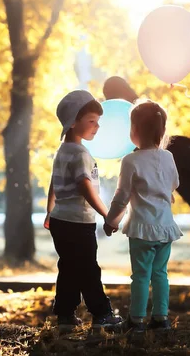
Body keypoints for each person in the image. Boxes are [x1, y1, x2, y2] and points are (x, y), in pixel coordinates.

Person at [44, 90, 123, 331]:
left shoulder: (62, 151)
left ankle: (65, 315)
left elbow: (53, 183)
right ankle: (102, 314)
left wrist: (49, 211)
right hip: (78, 222)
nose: (96, 127)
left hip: (60, 221)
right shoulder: (80, 153)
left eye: (98, 122)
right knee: (88, 269)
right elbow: (85, 186)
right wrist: (107, 214)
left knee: (68, 268)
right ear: (73, 122)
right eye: (91, 121)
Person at [104, 99, 182, 332]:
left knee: (140, 275)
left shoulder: (131, 160)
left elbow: (122, 196)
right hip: (165, 227)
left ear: (134, 130)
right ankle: (161, 318)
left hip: (142, 228)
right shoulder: (168, 157)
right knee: (160, 274)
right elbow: (174, 183)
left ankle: (136, 320)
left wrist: (111, 221)